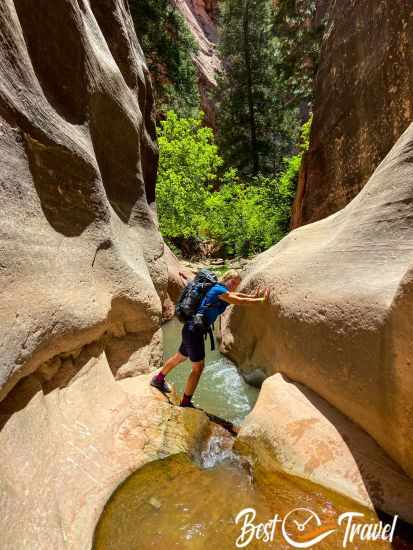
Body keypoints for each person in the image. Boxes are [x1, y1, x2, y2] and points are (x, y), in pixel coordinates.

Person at [150, 269, 270, 408]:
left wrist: (253, 296)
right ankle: (186, 402)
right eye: (235, 283)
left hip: (190, 329)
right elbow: (239, 300)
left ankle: (158, 380)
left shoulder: (216, 288)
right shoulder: (220, 291)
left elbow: (236, 295)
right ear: (230, 281)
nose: (236, 286)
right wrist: (261, 301)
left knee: (179, 357)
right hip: (194, 331)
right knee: (198, 368)